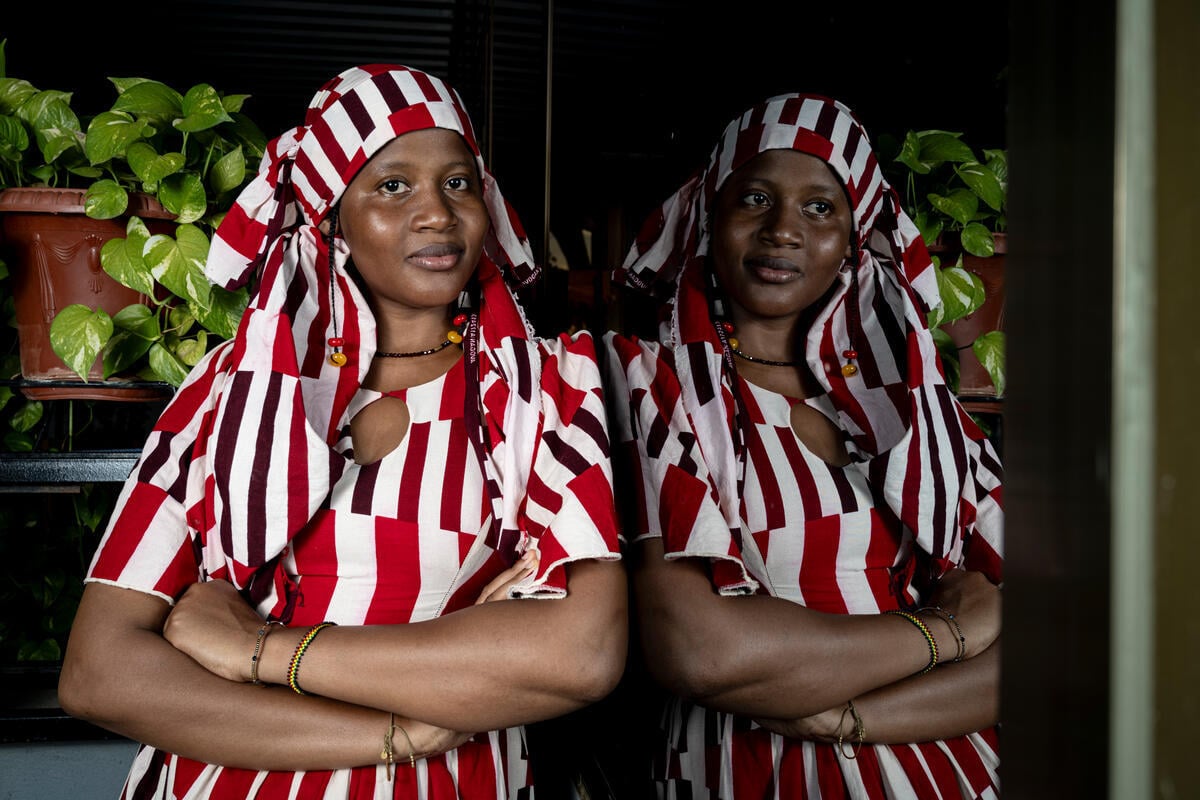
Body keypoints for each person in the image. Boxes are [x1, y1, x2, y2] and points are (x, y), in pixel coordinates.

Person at [59, 63, 626, 799]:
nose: (437, 213)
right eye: (393, 186)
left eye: (457, 183)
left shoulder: (543, 391)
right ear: (332, 212)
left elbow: (581, 654)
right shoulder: (233, 387)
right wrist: (403, 733)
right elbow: (100, 671)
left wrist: (257, 648)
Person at [603, 93, 1004, 798]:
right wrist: (949, 634)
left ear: (856, 233)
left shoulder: (915, 401)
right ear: (708, 217)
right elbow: (701, 651)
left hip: (956, 772)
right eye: (754, 199)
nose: (783, 230)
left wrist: (847, 718)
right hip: (746, 771)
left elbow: (1060, 640)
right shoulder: (653, 385)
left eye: (821, 207)